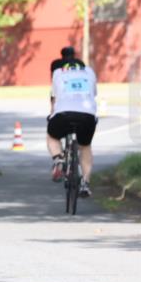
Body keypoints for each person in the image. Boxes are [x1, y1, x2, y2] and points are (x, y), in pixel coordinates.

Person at [47, 61, 98, 197]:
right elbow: (93, 94)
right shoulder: (89, 72)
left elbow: (54, 98)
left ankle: (58, 160)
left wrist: (51, 114)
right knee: (85, 146)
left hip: (63, 114)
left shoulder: (58, 73)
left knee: (52, 136)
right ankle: (85, 183)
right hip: (87, 115)